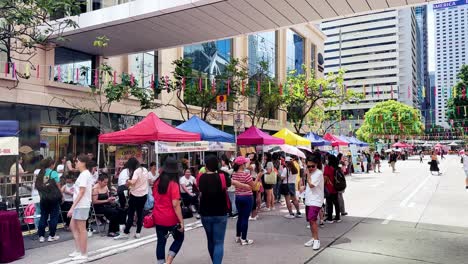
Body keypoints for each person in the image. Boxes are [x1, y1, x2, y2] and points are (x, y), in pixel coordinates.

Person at [198, 155, 234, 263]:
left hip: (205, 213)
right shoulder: (222, 177)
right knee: (219, 242)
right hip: (220, 213)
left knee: (210, 240)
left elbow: (199, 189)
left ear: (206, 166)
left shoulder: (200, 177)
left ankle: (214, 261)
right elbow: (229, 184)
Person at [153, 158, 184, 264]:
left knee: (161, 241)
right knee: (179, 238)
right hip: (171, 218)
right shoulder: (173, 184)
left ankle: (160, 262)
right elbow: (176, 204)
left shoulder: (157, 182)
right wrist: (181, 221)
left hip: (158, 216)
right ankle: (169, 260)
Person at [115, 157, 148, 239]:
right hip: (144, 194)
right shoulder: (145, 169)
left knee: (131, 213)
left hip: (135, 195)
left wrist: (127, 182)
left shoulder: (136, 171)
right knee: (140, 213)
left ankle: (125, 232)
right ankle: (138, 233)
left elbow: (132, 182)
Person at [67, 154, 93, 261]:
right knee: (73, 226)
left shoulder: (84, 174)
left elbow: (82, 192)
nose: (76, 163)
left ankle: (83, 253)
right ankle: (78, 250)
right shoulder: (83, 174)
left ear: (83, 163)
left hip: (81, 204)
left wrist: (72, 207)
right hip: (80, 204)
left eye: (77, 161)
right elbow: (80, 190)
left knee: (82, 229)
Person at [231, 156, 257, 245]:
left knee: (240, 217)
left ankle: (238, 236)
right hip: (247, 197)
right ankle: (244, 239)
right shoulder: (246, 174)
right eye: (245, 163)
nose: (246, 164)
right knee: (245, 218)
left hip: (238, 197)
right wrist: (259, 177)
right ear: (242, 165)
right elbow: (253, 186)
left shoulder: (234, 174)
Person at [36, 158, 61, 243]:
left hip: (44, 198)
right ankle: (51, 235)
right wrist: (61, 195)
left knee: (43, 216)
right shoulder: (53, 173)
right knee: (54, 216)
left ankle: (41, 236)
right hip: (53, 198)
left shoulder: (40, 173)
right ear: (51, 165)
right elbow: (58, 186)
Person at [302, 155, 324, 250]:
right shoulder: (310, 173)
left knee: (312, 220)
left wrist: (308, 175)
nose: (310, 168)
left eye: (312, 166)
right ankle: (313, 238)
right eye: (308, 166)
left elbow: (311, 185)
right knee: (310, 221)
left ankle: (316, 240)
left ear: (317, 165)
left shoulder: (318, 173)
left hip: (316, 200)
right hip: (309, 200)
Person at [323, 155, 341, 223]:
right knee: (336, 203)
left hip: (329, 187)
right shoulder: (337, 167)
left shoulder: (327, 167)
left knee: (329, 203)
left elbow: (325, 177)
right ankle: (337, 217)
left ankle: (330, 218)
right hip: (336, 187)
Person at [247, 153, 263, 221]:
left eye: (250, 156)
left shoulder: (253, 165)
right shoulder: (258, 164)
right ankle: (255, 213)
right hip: (257, 181)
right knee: (256, 197)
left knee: (253, 198)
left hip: (253, 180)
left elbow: (247, 167)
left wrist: (248, 160)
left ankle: (253, 215)